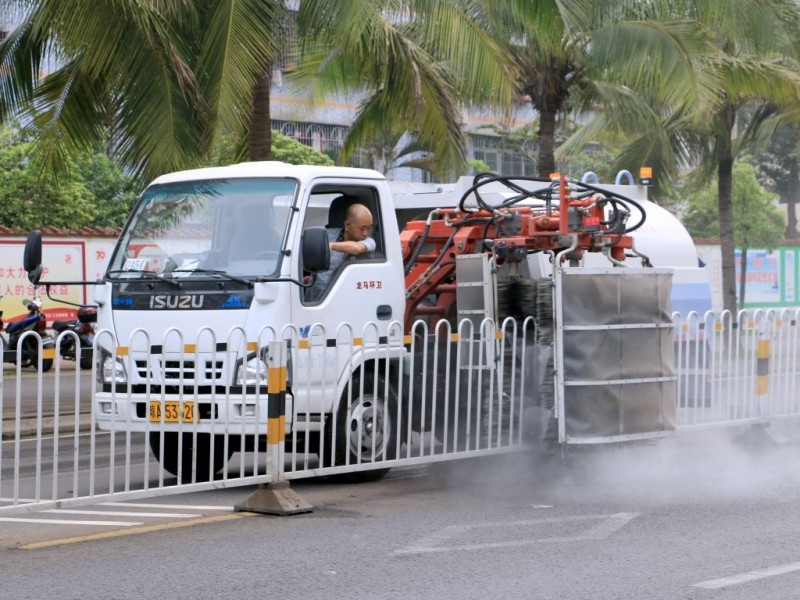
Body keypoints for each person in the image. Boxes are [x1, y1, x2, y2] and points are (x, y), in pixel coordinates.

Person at [306, 202, 375, 301]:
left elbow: (356, 248)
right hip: (315, 298)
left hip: (346, 298)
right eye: (362, 228)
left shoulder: (369, 242)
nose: (365, 233)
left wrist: (330, 245)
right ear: (347, 225)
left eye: (369, 228)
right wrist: (311, 277)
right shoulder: (326, 235)